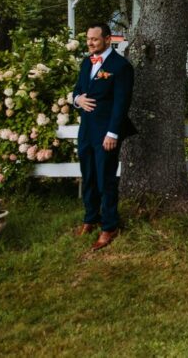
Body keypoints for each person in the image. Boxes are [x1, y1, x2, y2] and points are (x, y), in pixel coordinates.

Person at [72, 23, 135, 251]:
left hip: (106, 133)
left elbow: (121, 102)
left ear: (108, 39)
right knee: (87, 175)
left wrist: (113, 133)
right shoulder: (86, 62)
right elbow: (77, 90)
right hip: (86, 130)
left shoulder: (121, 66)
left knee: (105, 179)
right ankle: (90, 219)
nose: (90, 43)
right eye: (88, 39)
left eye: (95, 39)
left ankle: (109, 226)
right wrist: (77, 100)